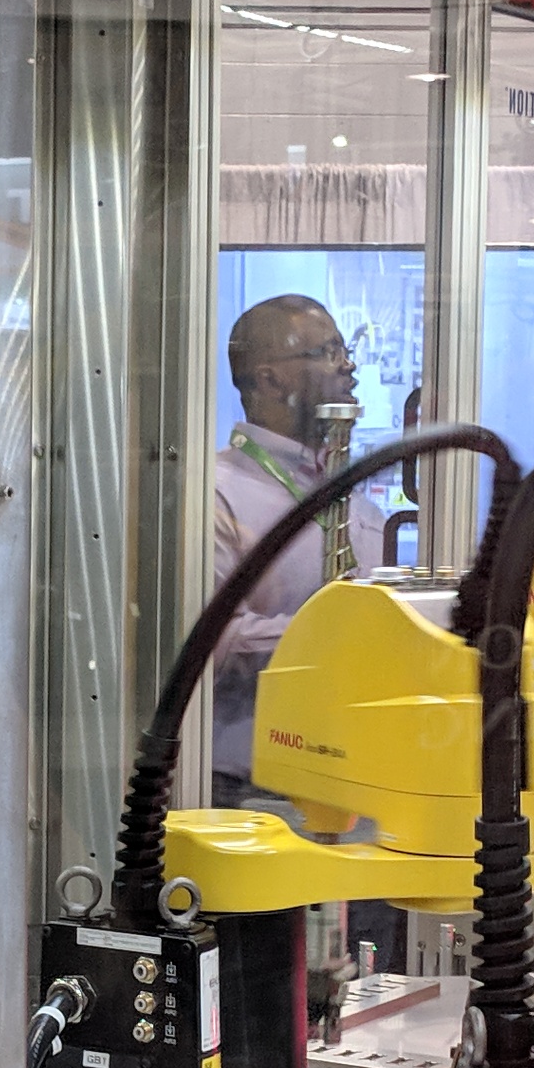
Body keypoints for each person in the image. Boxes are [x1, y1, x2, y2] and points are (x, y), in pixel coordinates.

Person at [206, 294, 397, 804]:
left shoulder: (355, 501)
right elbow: (211, 645)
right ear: (270, 380)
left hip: (357, 778)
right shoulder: (215, 495)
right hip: (250, 793)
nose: (349, 366)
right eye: (329, 352)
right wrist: (329, 637)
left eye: (345, 350)